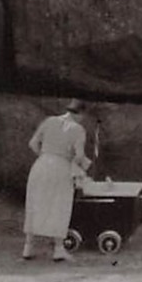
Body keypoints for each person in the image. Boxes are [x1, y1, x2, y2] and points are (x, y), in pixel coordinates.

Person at [22, 99, 92, 262]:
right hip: (60, 168)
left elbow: (33, 144)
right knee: (59, 205)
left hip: (41, 165)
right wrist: (80, 167)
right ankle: (59, 249)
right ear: (80, 114)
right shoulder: (78, 129)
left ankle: (28, 247)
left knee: (35, 204)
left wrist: (46, 156)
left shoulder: (49, 121)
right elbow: (79, 156)